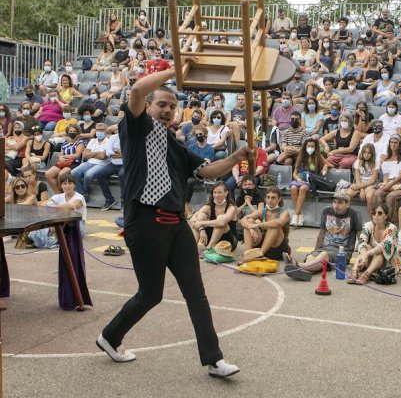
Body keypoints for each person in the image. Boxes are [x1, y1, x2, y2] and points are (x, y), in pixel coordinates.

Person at [99, 68, 248, 378]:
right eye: (161, 104)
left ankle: (213, 359)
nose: (167, 110)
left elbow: (207, 171)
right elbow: (138, 90)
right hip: (145, 221)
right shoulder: (135, 127)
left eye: (171, 105)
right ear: (150, 106)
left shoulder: (175, 143)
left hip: (177, 224)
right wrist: (176, 69)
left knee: (196, 292)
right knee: (150, 294)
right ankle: (110, 337)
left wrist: (237, 157)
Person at [285, 191, 362, 281]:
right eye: (334, 202)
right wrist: (315, 251)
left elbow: (360, 236)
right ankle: (305, 273)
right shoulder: (326, 211)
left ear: (347, 204)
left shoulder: (353, 214)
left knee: (323, 255)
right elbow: (321, 234)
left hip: (342, 252)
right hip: (324, 248)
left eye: (340, 203)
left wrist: (361, 257)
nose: (336, 206)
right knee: (311, 258)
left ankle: (298, 265)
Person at [349, 202, 399, 285]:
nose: (376, 215)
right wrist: (365, 254)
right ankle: (355, 271)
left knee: (380, 253)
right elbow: (361, 241)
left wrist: (366, 254)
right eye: (374, 213)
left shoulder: (392, 228)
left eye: (380, 213)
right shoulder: (368, 225)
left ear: (385, 216)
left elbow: (384, 246)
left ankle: (366, 274)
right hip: (368, 260)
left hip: (386, 263)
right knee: (366, 246)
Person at [238, 186, 291, 261]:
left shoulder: (284, 213)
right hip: (263, 246)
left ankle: (259, 255)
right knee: (249, 221)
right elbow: (243, 220)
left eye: (273, 198)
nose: (270, 200)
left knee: (274, 226)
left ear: (279, 199)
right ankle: (248, 255)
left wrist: (257, 225)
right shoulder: (263, 211)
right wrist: (251, 229)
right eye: (268, 197)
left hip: (277, 248)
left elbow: (278, 223)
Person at [289, 138, 330, 227]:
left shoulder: (318, 157)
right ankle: (299, 215)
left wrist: (326, 166)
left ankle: (296, 215)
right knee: (293, 187)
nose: (310, 148)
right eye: (309, 146)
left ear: (315, 148)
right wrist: (298, 179)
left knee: (303, 188)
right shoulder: (301, 156)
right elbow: (295, 173)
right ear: (305, 147)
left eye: (312, 146)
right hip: (300, 179)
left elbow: (330, 164)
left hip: (311, 180)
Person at [190, 182, 238, 252]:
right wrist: (201, 229)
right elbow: (192, 218)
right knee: (201, 215)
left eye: (219, 192)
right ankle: (193, 247)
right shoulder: (208, 207)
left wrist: (201, 223)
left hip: (228, 242)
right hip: (211, 239)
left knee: (221, 219)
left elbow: (221, 222)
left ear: (226, 193)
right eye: (214, 192)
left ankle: (209, 249)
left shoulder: (231, 208)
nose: (216, 195)